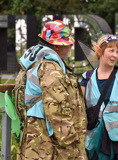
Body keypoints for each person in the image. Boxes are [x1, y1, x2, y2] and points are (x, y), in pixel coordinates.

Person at [17, 20, 87, 159]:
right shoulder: (50, 68)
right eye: (67, 44)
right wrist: (71, 146)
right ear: (56, 47)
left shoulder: (37, 62)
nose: (70, 46)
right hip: (48, 143)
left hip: (35, 136)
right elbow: (56, 109)